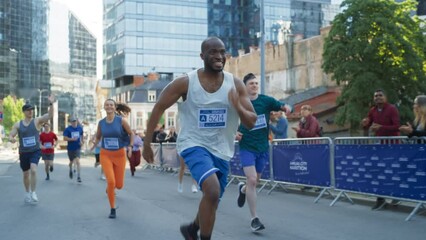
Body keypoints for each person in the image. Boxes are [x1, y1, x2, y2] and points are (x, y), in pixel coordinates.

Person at [143, 37, 257, 240]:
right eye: (213, 52)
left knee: (212, 201)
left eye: (222, 51)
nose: (219, 56)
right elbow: (159, 106)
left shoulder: (235, 84)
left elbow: (251, 122)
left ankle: (192, 228)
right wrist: (146, 143)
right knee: (212, 191)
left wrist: (237, 106)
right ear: (202, 56)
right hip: (193, 144)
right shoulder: (186, 82)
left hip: (222, 149)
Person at [235, 73, 291, 232]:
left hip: (262, 148)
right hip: (246, 147)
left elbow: (283, 105)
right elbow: (229, 121)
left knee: (254, 181)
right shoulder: (239, 102)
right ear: (245, 86)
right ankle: (254, 219)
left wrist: (288, 107)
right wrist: (234, 132)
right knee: (252, 179)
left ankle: (243, 189)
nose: (254, 85)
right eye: (251, 83)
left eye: (256, 83)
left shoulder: (266, 101)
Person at [91, 99, 134, 219]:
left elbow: (131, 134)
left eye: (111, 105)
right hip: (105, 154)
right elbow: (99, 136)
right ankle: (112, 208)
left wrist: (130, 147)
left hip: (119, 154)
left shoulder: (121, 121)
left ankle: (110, 188)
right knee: (111, 181)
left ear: (115, 107)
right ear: (104, 107)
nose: (109, 107)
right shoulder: (101, 123)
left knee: (119, 185)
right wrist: (94, 144)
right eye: (107, 105)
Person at [9, 97, 54, 203]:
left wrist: (51, 104)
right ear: (24, 112)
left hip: (35, 151)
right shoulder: (18, 124)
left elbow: (49, 116)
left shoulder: (37, 121)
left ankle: (33, 192)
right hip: (24, 152)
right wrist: (12, 139)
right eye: (28, 110)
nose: (31, 111)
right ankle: (27, 192)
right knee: (26, 174)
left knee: (33, 170)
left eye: (32, 110)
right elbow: (11, 135)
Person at [361, 89, 400, 210]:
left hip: (392, 145)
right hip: (378, 147)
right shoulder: (372, 110)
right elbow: (368, 125)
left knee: (392, 171)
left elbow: (397, 126)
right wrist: (365, 124)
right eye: (375, 96)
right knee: (378, 172)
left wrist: (381, 127)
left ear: (385, 97)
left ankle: (396, 194)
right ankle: (380, 199)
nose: (378, 97)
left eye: (380, 95)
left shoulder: (392, 108)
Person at [63, 117, 84, 183]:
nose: (74, 122)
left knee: (78, 161)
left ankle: (79, 176)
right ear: (71, 122)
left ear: (77, 122)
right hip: (70, 148)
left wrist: (82, 142)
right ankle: (70, 169)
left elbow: (82, 135)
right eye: (73, 121)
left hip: (77, 147)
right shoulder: (68, 129)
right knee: (71, 161)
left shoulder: (80, 128)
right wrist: (72, 139)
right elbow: (65, 138)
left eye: (75, 121)